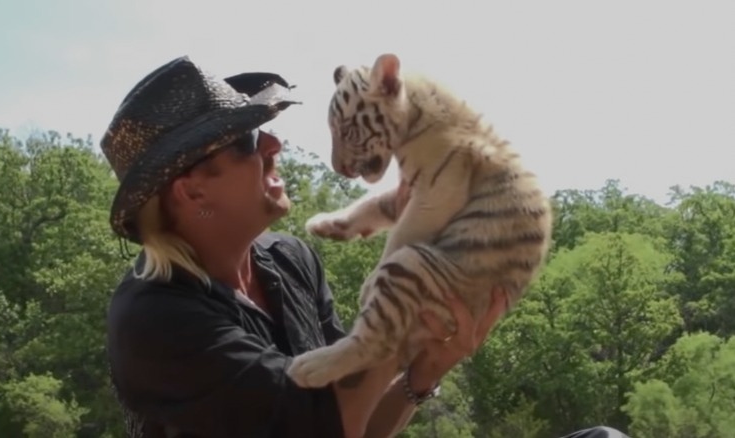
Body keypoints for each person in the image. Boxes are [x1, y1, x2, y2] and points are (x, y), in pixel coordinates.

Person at [101, 56, 630, 438]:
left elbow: (352, 423)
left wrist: (423, 374)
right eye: (245, 140)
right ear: (192, 189)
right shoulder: (155, 319)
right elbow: (321, 424)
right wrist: (403, 314)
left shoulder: (290, 260)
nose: (274, 143)